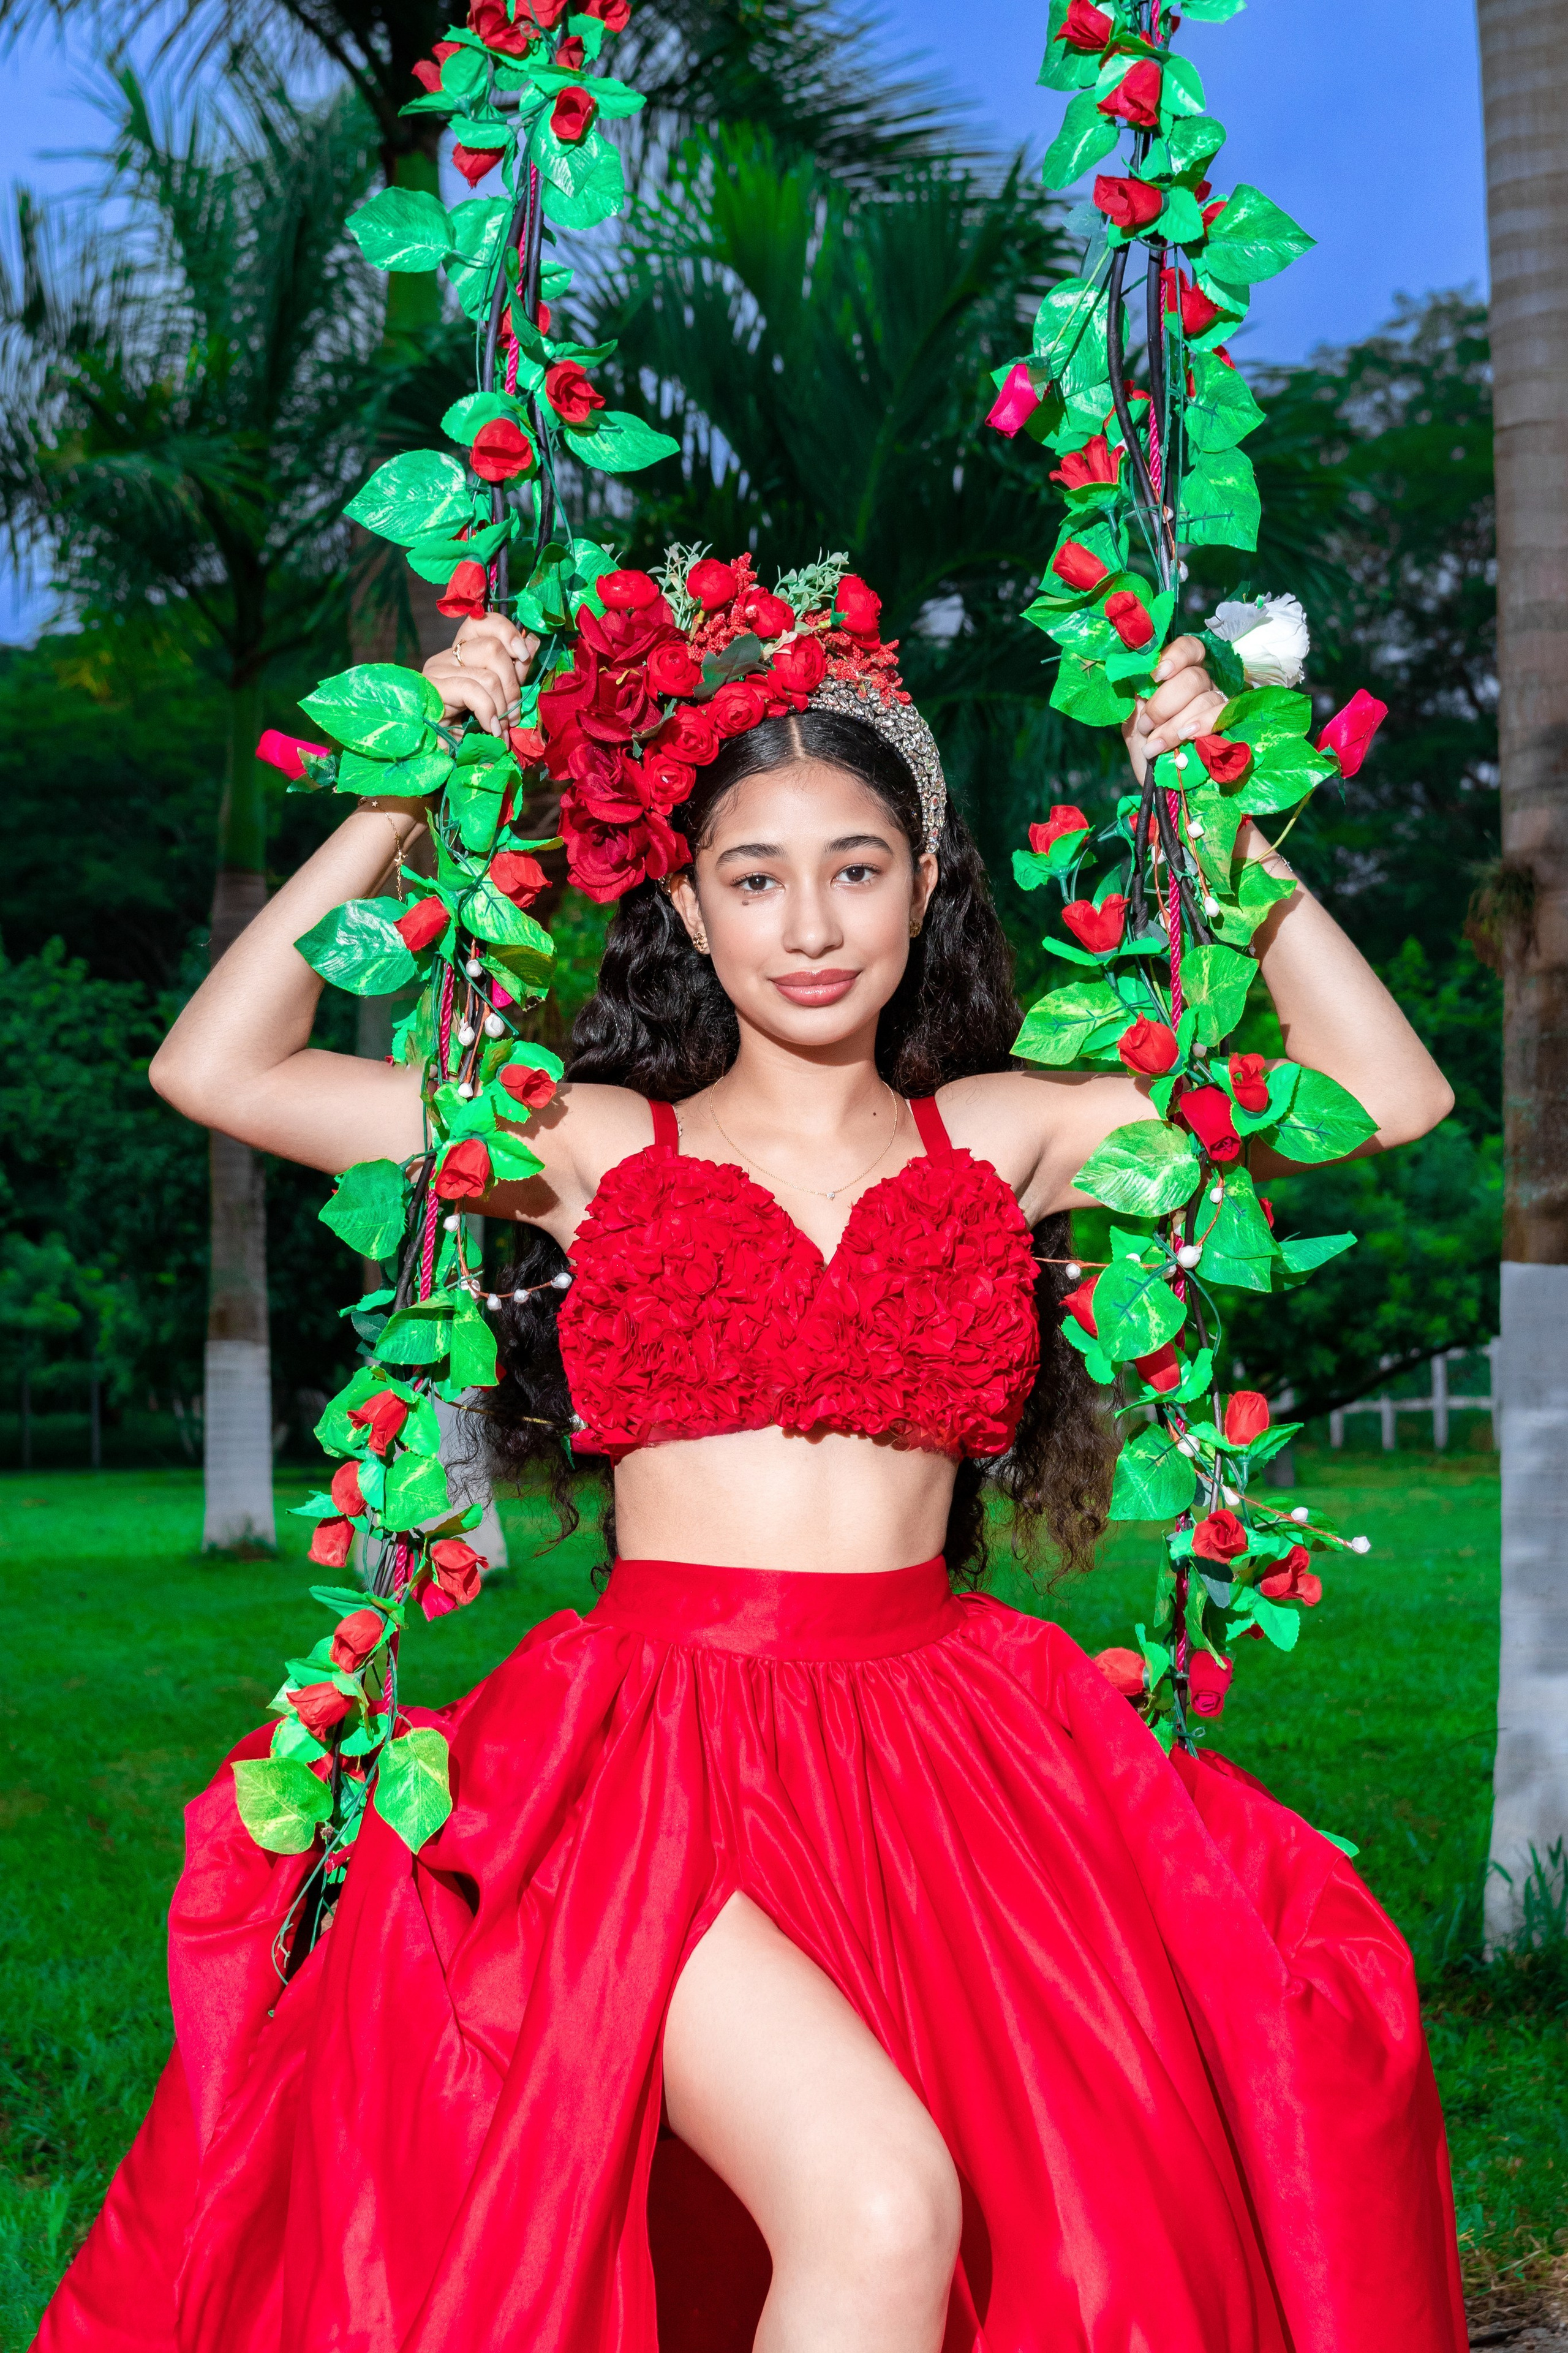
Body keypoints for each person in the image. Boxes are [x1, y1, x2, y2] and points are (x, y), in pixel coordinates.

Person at [36, 598, 1467, 2353]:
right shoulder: (584, 1141)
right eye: (758, 875)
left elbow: (1382, 1091)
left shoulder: (1012, 1132)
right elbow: (216, 1063)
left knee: (1040, 2238)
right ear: (692, 905)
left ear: (928, 877)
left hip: (947, 1757)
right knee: (879, 2200)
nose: (810, 925)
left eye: (856, 869)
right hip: (648, 1767)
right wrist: (409, 791)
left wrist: (1220, 813)